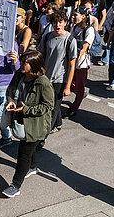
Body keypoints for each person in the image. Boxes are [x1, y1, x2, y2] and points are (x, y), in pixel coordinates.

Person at [1, 51, 54, 198]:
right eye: (22, 61)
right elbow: (10, 90)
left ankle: (16, 185)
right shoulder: (19, 74)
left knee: (23, 153)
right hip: (21, 120)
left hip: (36, 126)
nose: (22, 64)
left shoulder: (43, 83)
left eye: (25, 62)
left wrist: (27, 109)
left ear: (34, 65)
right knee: (28, 148)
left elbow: (48, 106)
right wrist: (11, 100)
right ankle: (33, 167)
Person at [38, 10, 77, 138]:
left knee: (52, 108)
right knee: (48, 105)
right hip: (45, 78)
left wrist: (68, 86)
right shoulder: (47, 37)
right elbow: (41, 57)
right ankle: (58, 123)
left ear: (65, 23)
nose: (57, 25)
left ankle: (43, 136)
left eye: (60, 22)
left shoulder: (70, 40)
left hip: (59, 80)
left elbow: (72, 65)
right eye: (55, 22)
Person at [64, 6, 95, 118]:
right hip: (72, 62)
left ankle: (74, 108)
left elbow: (84, 47)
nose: (73, 17)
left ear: (83, 16)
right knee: (68, 83)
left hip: (81, 64)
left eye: (75, 15)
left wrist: (74, 60)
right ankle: (78, 92)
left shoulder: (89, 30)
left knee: (79, 87)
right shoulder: (76, 27)